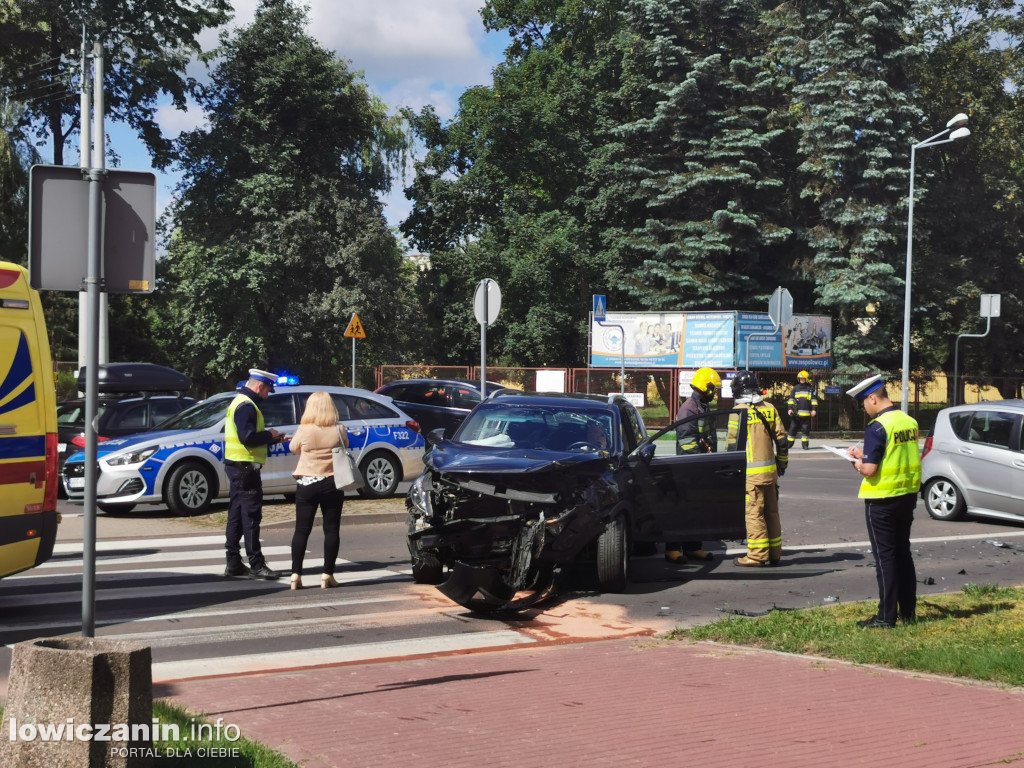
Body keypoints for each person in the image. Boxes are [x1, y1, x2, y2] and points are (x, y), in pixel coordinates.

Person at [846, 374, 921, 628]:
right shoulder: (908, 421)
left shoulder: (877, 427)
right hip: (907, 496)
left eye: (863, 404)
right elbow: (892, 454)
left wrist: (857, 462)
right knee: (903, 554)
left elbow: (869, 470)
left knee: (885, 558)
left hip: (881, 500)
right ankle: (908, 613)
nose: (864, 410)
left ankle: (886, 617)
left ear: (872, 399)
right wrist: (864, 454)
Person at [223, 368, 287, 580]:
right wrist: (269, 435)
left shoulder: (240, 402)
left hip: (238, 467)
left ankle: (233, 562)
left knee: (236, 516)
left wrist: (274, 439)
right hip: (245, 468)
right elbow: (247, 437)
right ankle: (256, 564)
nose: (268, 395)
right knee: (250, 517)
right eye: (268, 390)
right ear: (260, 386)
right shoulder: (246, 406)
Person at [727, 370, 789, 567]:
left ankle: (756, 555)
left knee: (754, 514)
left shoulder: (738, 413)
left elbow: (732, 446)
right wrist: (782, 463)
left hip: (750, 476)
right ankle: (774, 553)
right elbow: (782, 440)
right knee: (771, 513)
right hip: (770, 474)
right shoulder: (770, 408)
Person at [288, 391, 348, 590]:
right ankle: (327, 574)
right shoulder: (339, 429)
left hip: (307, 483)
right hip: (332, 483)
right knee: (331, 530)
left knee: (301, 530)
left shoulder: (304, 429)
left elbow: (293, 448)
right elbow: (345, 447)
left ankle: (296, 574)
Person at [666, 367, 722, 563]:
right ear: (705, 387)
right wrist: (701, 462)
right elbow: (686, 441)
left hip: (700, 465)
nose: (715, 393)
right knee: (681, 509)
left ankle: (692, 547)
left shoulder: (702, 407)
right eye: (713, 389)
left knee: (696, 509)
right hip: (688, 466)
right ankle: (672, 548)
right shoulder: (688, 408)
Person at [786, 370, 819, 450]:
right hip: (796, 414)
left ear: (806, 379)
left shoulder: (810, 389)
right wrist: (790, 408)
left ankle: (805, 445)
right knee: (792, 430)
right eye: (800, 379)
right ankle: (789, 444)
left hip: (806, 415)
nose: (802, 380)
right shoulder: (795, 388)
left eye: (803, 379)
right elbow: (791, 399)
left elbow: (814, 400)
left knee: (805, 430)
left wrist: (814, 409)